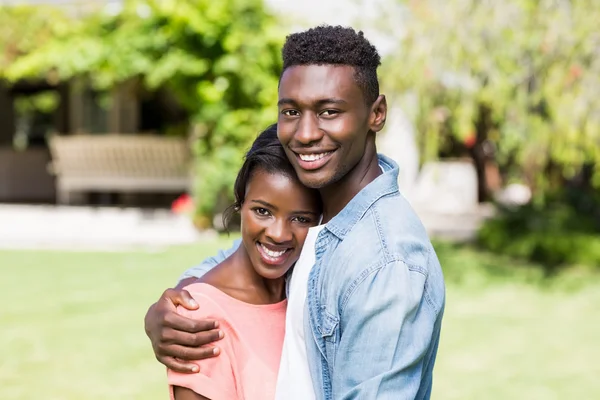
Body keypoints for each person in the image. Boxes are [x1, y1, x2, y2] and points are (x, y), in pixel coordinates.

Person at [146, 25, 445, 399]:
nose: (304, 133)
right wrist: (177, 303)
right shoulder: (324, 214)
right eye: (291, 111)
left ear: (376, 113)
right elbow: (251, 258)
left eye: (329, 111)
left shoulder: (384, 261)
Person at [168, 124, 322, 400]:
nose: (278, 234)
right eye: (262, 211)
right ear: (240, 201)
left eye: (301, 218)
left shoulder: (311, 290)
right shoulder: (201, 317)